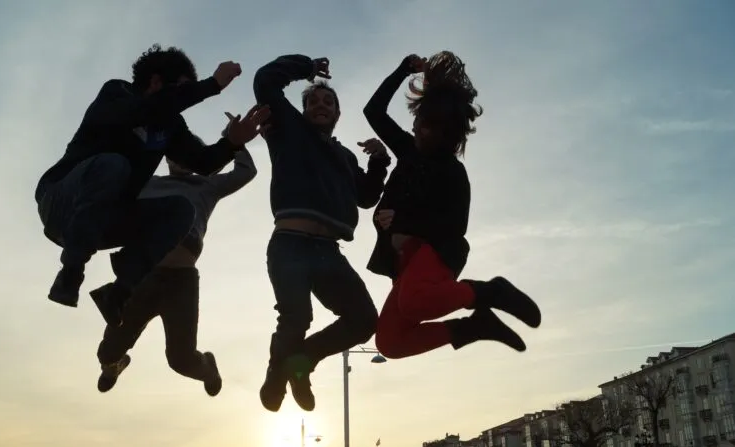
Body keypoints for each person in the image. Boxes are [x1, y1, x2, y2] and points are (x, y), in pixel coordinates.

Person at [36, 43, 268, 326]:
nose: (182, 100)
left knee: (181, 210)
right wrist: (211, 85)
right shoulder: (117, 93)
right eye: (180, 90)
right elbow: (145, 109)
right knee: (114, 164)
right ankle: (71, 272)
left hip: (105, 221)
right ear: (156, 81)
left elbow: (202, 162)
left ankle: (119, 294)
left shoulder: (169, 126)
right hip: (61, 202)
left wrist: (232, 143)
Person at [362, 53, 541, 360]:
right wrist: (403, 70)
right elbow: (373, 111)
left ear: (448, 135)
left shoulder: (451, 172)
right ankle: (474, 327)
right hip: (403, 264)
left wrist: (403, 221)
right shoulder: (408, 150)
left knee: (412, 303)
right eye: (419, 121)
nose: (418, 129)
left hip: (439, 254)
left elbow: (456, 228)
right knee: (389, 343)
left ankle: (490, 291)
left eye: (429, 127)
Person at [253, 54, 390, 412]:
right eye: (312, 101)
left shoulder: (345, 157)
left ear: (337, 114)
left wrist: (378, 162)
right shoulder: (289, 130)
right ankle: (276, 373)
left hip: (328, 252)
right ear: (303, 110)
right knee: (296, 317)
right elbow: (265, 81)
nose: (320, 105)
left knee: (364, 320)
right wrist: (306, 68)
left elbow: (366, 197)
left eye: (328, 101)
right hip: (289, 245)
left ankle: (300, 363)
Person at [92, 118, 259, 393]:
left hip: (180, 282)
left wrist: (234, 139)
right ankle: (115, 364)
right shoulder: (148, 184)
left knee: (180, 360)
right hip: (142, 278)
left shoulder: (207, 186)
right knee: (107, 352)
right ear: (167, 158)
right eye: (176, 154)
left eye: (189, 155)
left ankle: (207, 367)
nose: (182, 160)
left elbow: (245, 172)